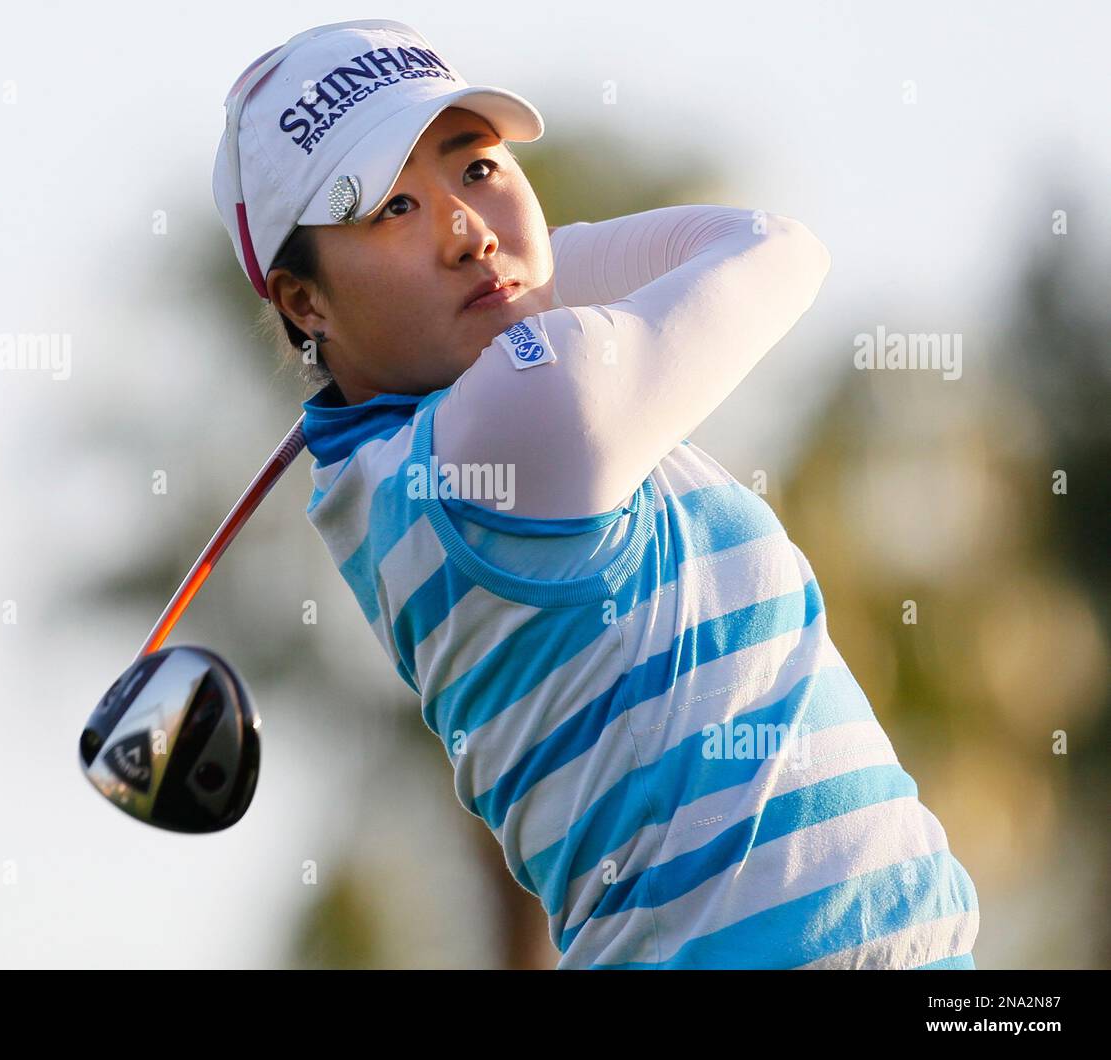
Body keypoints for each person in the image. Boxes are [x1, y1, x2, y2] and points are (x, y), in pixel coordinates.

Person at [212, 18, 980, 969]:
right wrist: (521, 269)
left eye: (478, 170)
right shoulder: (517, 418)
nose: (463, 228)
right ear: (304, 301)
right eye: (391, 209)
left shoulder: (397, 462)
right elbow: (774, 248)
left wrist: (504, 270)